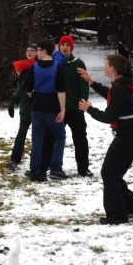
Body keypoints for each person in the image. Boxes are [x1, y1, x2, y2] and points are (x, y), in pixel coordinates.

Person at [78, 54, 133, 225]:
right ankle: (131, 206)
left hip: (128, 133)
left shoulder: (120, 88)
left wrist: (89, 109)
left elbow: (109, 116)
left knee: (110, 173)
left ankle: (117, 216)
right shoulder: (120, 85)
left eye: (106, 64)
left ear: (112, 69)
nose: (104, 67)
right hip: (129, 131)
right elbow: (111, 95)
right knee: (113, 172)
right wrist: (92, 81)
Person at [41, 35, 93, 177]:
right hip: (56, 110)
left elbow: (83, 85)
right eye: (62, 44)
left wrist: (82, 102)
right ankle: (44, 165)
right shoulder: (53, 63)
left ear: (72, 47)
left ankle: (83, 168)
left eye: (67, 45)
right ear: (59, 46)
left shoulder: (78, 63)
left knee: (80, 139)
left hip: (74, 109)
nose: (64, 47)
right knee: (49, 138)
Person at [24, 39, 68, 182]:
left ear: (44, 51)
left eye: (37, 50)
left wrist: (35, 98)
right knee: (60, 136)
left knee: (37, 139)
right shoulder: (57, 67)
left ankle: (36, 170)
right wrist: (63, 109)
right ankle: (55, 167)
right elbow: (61, 91)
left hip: (36, 106)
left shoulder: (34, 67)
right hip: (52, 106)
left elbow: (28, 89)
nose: (36, 52)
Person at [5, 43, 37, 172]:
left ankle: (39, 162)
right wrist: (12, 101)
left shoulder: (40, 67)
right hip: (25, 107)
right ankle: (14, 160)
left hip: (38, 107)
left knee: (39, 136)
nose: (29, 52)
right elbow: (20, 89)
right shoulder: (22, 68)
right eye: (28, 50)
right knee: (21, 134)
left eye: (33, 50)